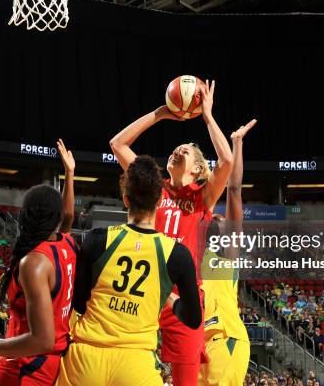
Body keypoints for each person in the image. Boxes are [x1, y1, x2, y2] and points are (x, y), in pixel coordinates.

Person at [110, 79, 233, 385]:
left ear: (197, 170)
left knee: (185, 381)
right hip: (143, 292)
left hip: (184, 297)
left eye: (187, 151)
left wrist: (207, 116)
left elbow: (227, 161)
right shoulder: (153, 186)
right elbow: (118, 145)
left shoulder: (202, 196)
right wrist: (160, 114)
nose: (179, 149)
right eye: (177, 148)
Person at [56, 155, 202, 386]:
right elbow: (193, 319)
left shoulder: (96, 240)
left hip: (87, 358)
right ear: (159, 201)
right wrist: (171, 299)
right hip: (136, 364)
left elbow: (79, 303)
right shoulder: (177, 254)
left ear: (125, 200)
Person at [0, 139, 77, 386]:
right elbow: (67, 218)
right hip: (31, 360)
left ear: (24, 215)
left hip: (31, 363)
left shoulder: (34, 263)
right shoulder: (66, 244)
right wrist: (69, 174)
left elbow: (42, 340)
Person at [199, 121, 256, 385]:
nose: (220, 218)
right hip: (202, 345)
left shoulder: (227, 254)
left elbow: (233, 189)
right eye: (216, 217)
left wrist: (237, 143)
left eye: (222, 220)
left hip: (226, 339)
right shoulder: (194, 255)